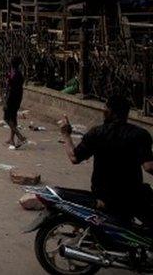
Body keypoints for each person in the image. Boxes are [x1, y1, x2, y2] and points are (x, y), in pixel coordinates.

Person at [60, 95, 153, 227]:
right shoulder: (140, 135)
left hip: (102, 193)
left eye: (105, 109)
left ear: (109, 112)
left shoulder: (97, 133)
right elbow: (149, 167)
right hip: (131, 194)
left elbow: (74, 158)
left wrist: (66, 135)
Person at [2, 56, 28, 148]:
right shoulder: (19, 74)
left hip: (11, 98)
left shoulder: (13, 75)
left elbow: (9, 89)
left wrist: (5, 101)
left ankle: (20, 136)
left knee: (6, 118)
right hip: (17, 98)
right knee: (13, 118)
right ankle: (11, 139)